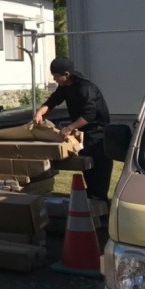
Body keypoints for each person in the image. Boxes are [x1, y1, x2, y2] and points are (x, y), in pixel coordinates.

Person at [33, 56, 113, 203]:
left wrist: (69, 128)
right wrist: (39, 113)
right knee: (88, 169)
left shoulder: (85, 88)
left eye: (56, 76)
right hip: (85, 134)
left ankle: (100, 207)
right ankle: (91, 201)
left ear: (67, 74)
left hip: (99, 135)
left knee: (99, 173)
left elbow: (89, 115)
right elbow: (52, 101)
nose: (55, 80)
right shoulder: (65, 87)